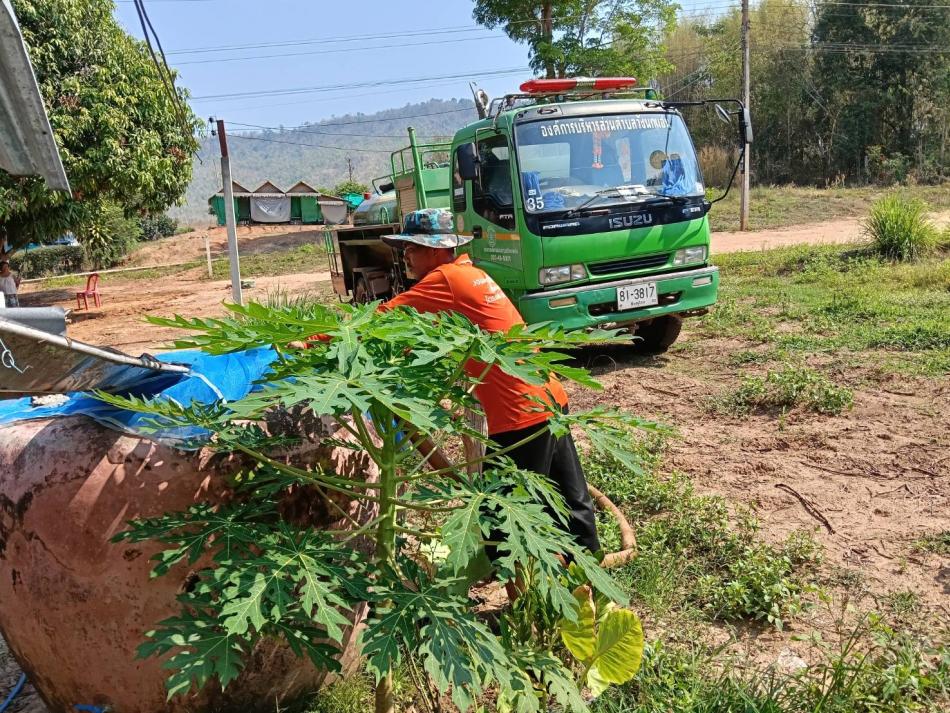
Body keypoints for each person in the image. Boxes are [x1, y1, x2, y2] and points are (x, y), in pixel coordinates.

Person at [378, 208, 601, 555]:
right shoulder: (472, 274)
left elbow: (383, 319)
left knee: (498, 521)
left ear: (437, 249)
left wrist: (311, 340)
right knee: (571, 503)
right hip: (547, 396)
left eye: (412, 247)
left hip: (518, 414)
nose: (405, 255)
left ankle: (525, 594)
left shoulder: (445, 279)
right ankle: (590, 582)